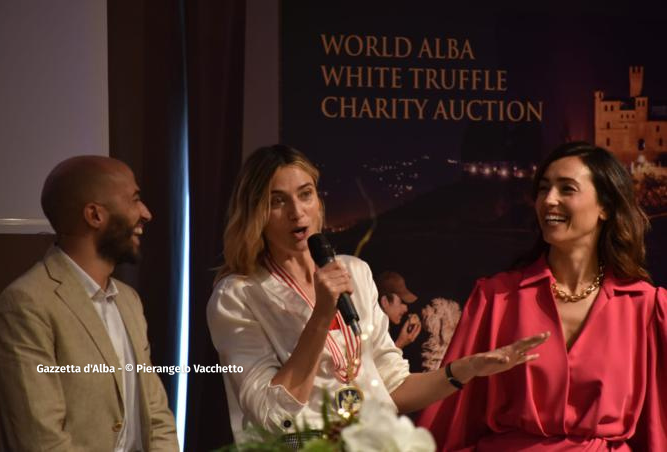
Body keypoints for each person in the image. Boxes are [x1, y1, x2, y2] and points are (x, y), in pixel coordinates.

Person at [207, 144, 549, 443]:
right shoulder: (238, 296)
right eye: (277, 201)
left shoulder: (353, 271)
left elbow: (393, 387)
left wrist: (464, 370)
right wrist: (323, 314)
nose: (297, 212)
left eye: (305, 194)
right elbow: (271, 412)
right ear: (256, 212)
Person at [418, 142, 667, 450]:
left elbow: (657, 425)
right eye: (543, 189)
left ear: (605, 206)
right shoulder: (496, 298)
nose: (548, 200)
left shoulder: (645, 306)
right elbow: (453, 413)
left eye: (567, 189)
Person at [0, 156, 178, 451]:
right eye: (135, 199)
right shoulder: (26, 304)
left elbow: (156, 415)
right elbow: (41, 441)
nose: (146, 213)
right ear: (94, 215)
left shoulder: (129, 300)